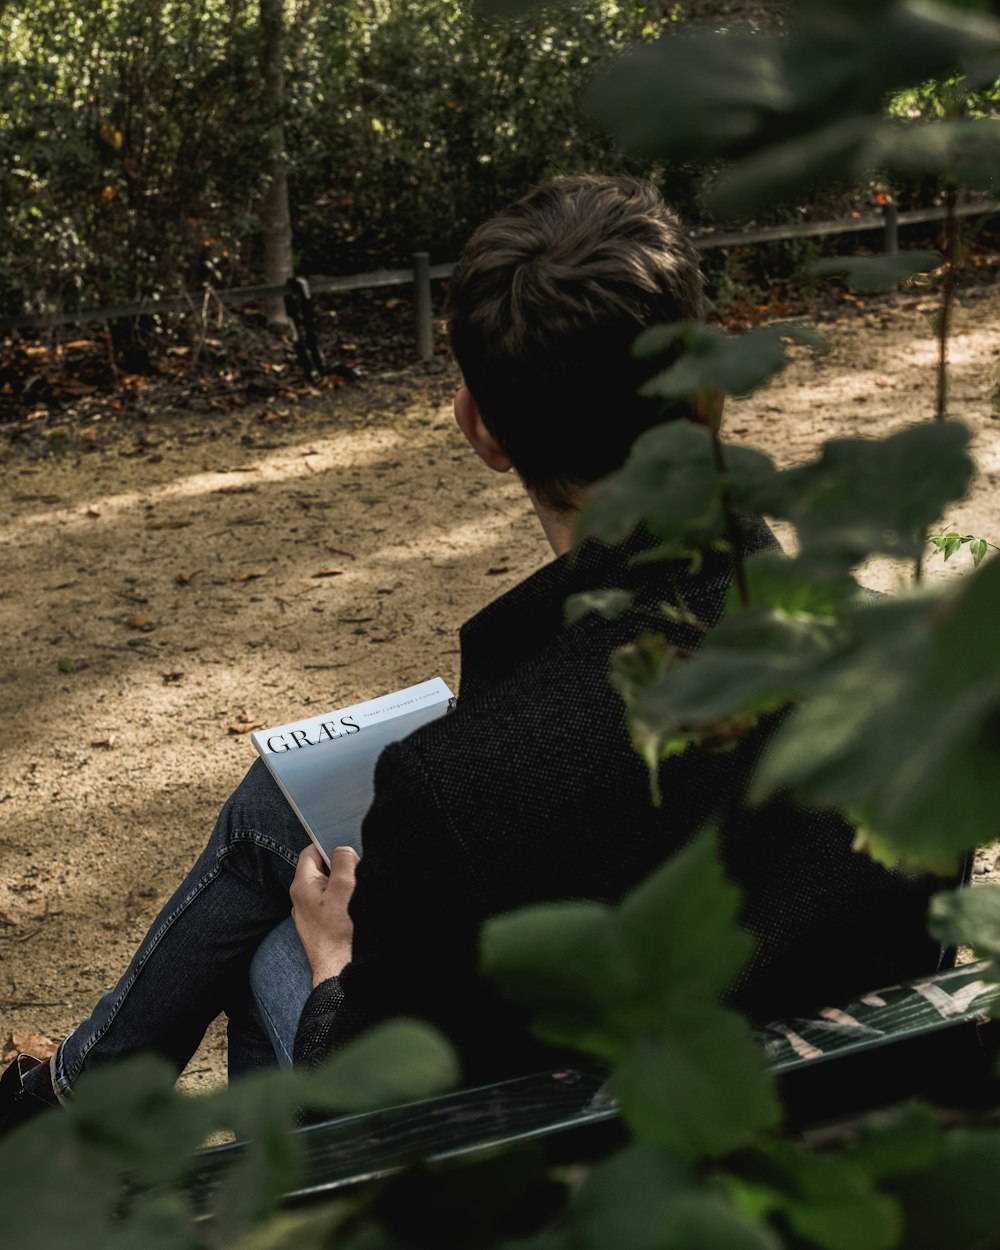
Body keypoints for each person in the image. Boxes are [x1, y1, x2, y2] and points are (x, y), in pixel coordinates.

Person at [0, 175, 946, 1135]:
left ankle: (79, 1112)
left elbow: (383, 1100)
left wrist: (331, 973)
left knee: (282, 919)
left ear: (480, 429)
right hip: (846, 1129)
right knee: (272, 810)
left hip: (575, 1184)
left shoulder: (456, 789)